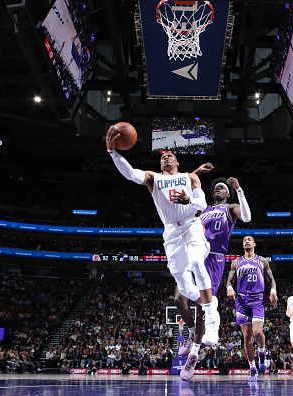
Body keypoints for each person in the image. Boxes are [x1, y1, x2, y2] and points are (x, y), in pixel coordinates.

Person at [105, 128, 220, 371]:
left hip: (192, 226)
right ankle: (200, 318)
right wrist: (113, 152)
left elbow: (203, 204)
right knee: (183, 285)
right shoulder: (153, 178)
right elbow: (131, 175)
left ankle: (211, 317)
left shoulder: (191, 177)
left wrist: (189, 201)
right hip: (171, 234)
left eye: (170, 155)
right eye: (162, 156)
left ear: (177, 161)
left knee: (198, 262)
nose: (166, 156)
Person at [176, 165, 252, 380]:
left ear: (227, 192)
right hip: (194, 252)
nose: (218, 189)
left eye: (222, 187)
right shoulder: (205, 209)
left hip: (215, 258)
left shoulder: (231, 208)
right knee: (179, 298)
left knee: (202, 307)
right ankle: (191, 334)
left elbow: (246, 217)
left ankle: (193, 355)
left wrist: (240, 190)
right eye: (216, 187)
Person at [226, 236, 277, 381]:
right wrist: (229, 288)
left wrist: (273, 291)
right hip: (241, 300)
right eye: (244, 240)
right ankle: (252, 367)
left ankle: (262, 351)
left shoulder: (262, 261)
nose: (247, 241)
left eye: (249, 240)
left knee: (257, 332)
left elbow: (271, 280)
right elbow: (229, 280)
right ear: (243, 245)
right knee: (247, 336)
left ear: (254, 244)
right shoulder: (236, 262)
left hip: (257, 299)